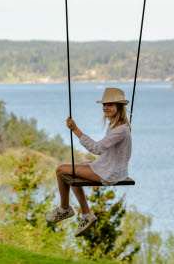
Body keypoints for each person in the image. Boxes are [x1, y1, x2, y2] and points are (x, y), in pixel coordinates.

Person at [45, 87, 132, 237]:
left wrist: (75, 129)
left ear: (119, 106)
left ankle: (64, 210)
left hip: (110, 173)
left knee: (60, 170)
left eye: (110, 104)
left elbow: (97, 148)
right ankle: (85, 214)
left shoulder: (120, 129)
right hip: (109, 167)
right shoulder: (115, 125)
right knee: (73, 169)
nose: (105, 107)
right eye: (104, 104)